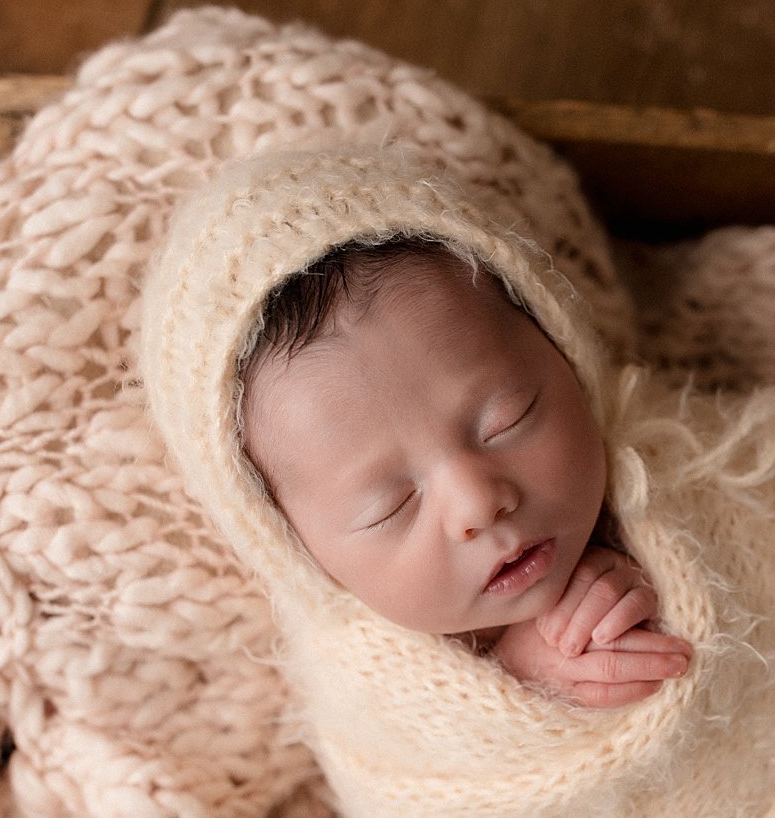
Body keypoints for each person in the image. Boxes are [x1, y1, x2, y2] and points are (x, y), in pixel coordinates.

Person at [237, 234, 695, 709]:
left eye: (507, 420)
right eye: (391, 507)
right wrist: (521, 679)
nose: (476, 503)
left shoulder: (679, 460)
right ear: (294, 549)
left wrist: (666, 580)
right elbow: (407, 773)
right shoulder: (363, 687)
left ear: (565, 350)